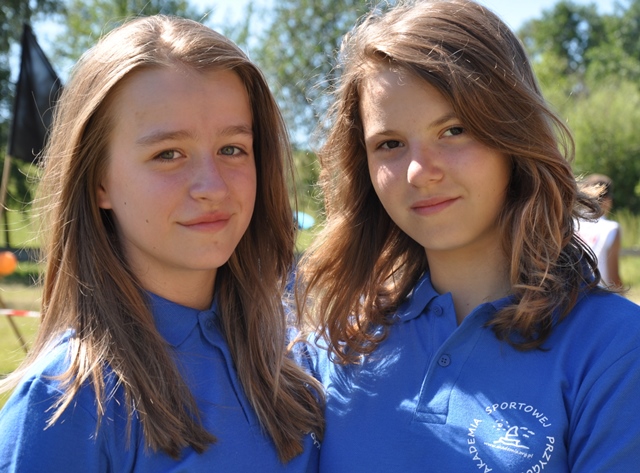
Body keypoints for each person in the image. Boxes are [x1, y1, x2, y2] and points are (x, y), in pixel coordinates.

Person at [297, 1, 640, 471]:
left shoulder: (616, 348)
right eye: (390, 144)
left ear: (513, 136)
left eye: (454, 130)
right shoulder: (336, 343)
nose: (419, 172)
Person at [0, 15, 323, 472]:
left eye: (232, 149)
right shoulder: (66, 402)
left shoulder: (296, 360)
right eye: (168, 154)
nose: (212, 186)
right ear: (98, 181)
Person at [576, 174, 623, 288]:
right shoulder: (611, 229)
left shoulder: (570, 224)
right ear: (607, 200)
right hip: (599, 292)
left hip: (571, 293)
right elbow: (613, 279)